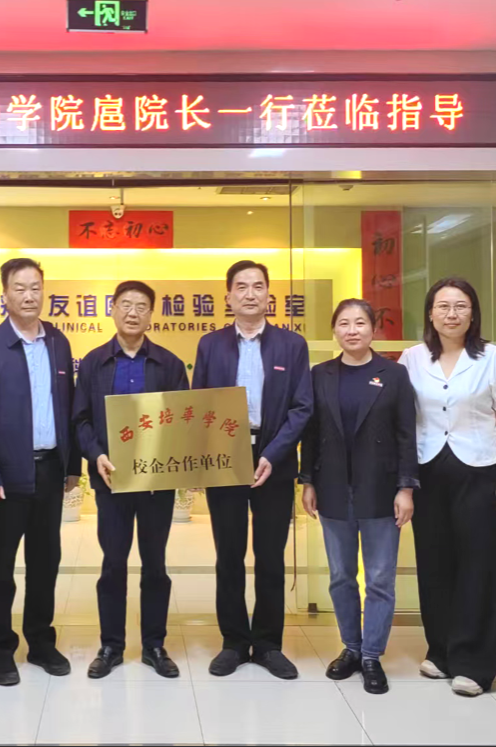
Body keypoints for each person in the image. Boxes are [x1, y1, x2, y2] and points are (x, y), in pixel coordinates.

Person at [399, 277, 496, 697]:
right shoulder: (412, 358)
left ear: (473, 313)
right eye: (443, 306)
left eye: (461, 306)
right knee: (435, 562)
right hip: (428, 469)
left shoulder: (494, 356)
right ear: (430, 314)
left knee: (480, 564)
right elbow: (404, 417)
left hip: (481, 468)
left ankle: (475, 663)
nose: (452, 314)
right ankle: (442, 651)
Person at [192, 260, 313, 679]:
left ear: (268, 295)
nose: (249, 293)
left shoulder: (291, 345)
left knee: (270, 555)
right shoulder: (210, 345)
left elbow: (302, 407)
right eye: (241, 286)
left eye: (257, 286)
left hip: (273, 457)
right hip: (224, 455)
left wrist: (273, 454)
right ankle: (233, 641)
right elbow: (199, 404)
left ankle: (267, 644)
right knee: (228, 554)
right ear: (228, 296)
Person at [0, 258, 82, 686]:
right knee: (0, 565)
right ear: (5, 295)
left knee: (45, 561)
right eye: (20, 288)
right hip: (4, 476)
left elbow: (69, 408)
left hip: (50, 470)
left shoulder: (58, 342)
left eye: (36, 287)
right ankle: (0, 649)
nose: (29, 295)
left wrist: (72, 466)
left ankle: (40, 642)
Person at [299, 299, 418, 695]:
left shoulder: (394, 374)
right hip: (333, 488)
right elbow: (311, 433)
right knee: (341, 576)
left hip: (381, 489)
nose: (352, 330)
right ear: (335, 330)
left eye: (360, 323)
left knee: (380, 578)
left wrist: (406, 487)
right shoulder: (320, 374)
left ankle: (371, 655)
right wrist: (307, 481)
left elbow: (406, 433)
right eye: (344, 324)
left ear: (372, 329)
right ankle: (350, 648)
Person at [73, 281, 189, 680]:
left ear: (151, 314)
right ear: (113, 310)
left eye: (141, 306)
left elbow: (182, 420)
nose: (133, 312)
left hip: (157, 483)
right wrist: (97, 455)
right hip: (112, 481)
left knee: (155, 564)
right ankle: (111, 646)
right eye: (125, 304)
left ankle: (154, 645)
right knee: (113, 564)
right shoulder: (93, 362)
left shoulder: (169, 364)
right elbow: (80, 419)